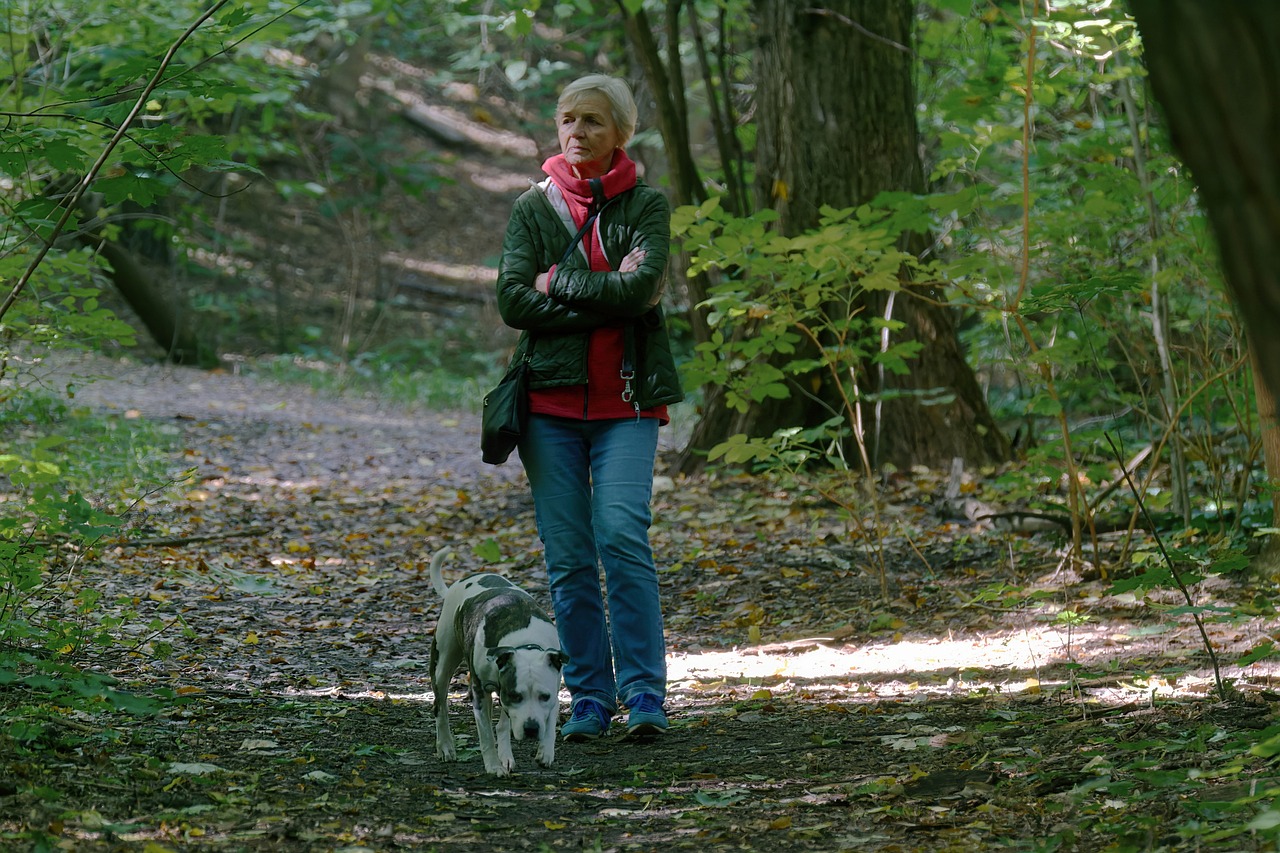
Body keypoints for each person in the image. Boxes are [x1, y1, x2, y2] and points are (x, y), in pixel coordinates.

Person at [494, 74, 683, 741]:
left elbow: (641, 295)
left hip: (627, 403)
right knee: (570, 555)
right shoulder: (532, 209)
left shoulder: (647, 205)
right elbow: (514, 300)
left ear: (621, 133)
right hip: (547, 406)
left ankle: (645, 695)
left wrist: (560, 284)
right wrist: (603, 292)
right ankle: (593, 701)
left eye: (593, 121)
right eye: (568, 118)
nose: (576, 131)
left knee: (622, 536)